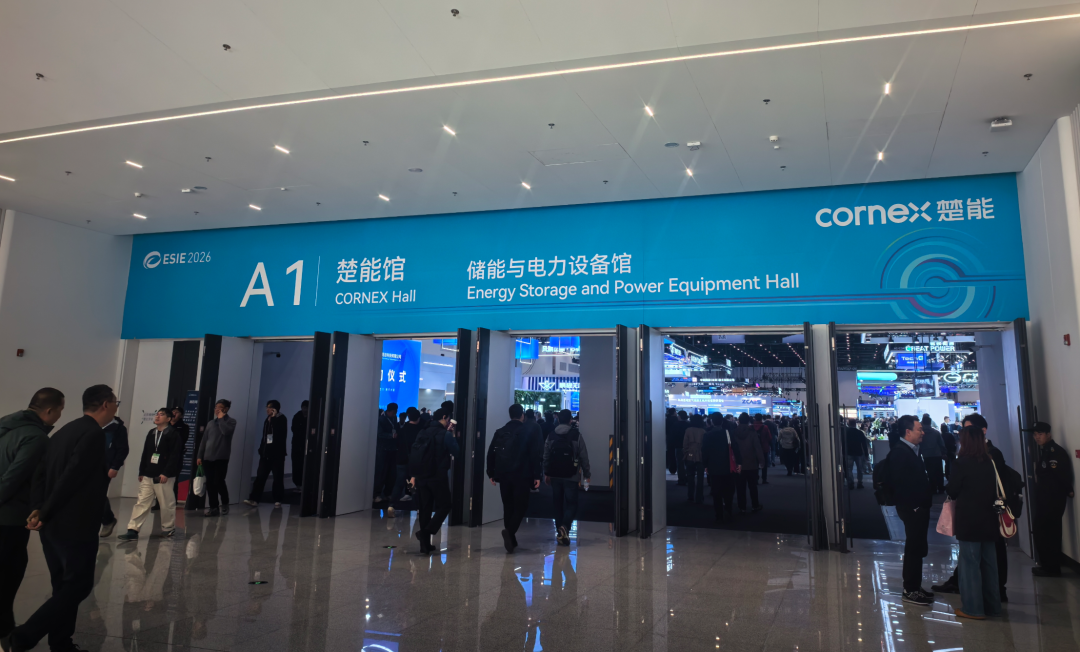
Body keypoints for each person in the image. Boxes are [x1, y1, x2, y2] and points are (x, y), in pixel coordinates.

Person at [2, 386, 117, 652]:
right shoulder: (93, 434)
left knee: (62, 585)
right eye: (115, 402)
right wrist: (44, 510)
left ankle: (61, 642)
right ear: (105, 404)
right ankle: (21, 638)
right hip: (75, 524)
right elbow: (72, 476)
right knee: (79, 585)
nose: (115, 407)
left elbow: (40, 473)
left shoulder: (64, 430)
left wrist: (38, 507)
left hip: (52, 525)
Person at [0, 388, 65, 642]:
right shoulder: (36, 438)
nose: (59, 416)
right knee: (8, 576)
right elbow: (13, 479)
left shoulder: (6, 426)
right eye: (60, 410)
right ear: (49, 410)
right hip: (9, 519)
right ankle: (4, 634)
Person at [946, 426, 1003, 619]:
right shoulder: (989, 461)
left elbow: (953, 490)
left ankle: (973, 608)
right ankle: (993, 606)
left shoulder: (961, 463)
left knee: (969, 564)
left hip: (969, 520)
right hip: (989, 519)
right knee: (989, 565)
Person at [884, 415, 934, 606]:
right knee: (913, 548)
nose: (922, 432)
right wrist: (914, 506)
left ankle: (915, 586)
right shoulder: (900, 452)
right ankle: (910, 589)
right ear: (908, 431)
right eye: (919, 429)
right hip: (912, 508)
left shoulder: (910, 450)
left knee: (918, 547)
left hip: (917, 507)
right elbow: (900, 483)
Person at [118, 408, 183, 541]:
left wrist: (166, 473)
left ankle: (168, 528)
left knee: (166, 503)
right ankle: (133, 529)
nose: (157, 416)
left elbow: (175, 456)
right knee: (142, 502)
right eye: (157, 414)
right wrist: (142, 471)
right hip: (148, 474)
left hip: (163, 476)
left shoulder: (173, 434)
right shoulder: (151, 432)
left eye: (161, 415)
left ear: (169, 419)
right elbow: (146, 453)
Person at [487, 404, 543, 553]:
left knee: (508, 506)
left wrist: (490, 472)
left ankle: (510, 540)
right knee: (521, 506)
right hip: (521, 474)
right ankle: (510, 532)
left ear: (510, 415)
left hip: (503, 474)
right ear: (522, 415)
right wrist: (537, 475)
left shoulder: (500, 432)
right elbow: (534, 455)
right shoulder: (527, 432)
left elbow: (491, 453)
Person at [408, 408, 460, 554]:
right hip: (437, 476)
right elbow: (456, 451)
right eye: (448, 419)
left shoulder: (422, 432)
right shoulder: (445, 434)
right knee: (445, 505)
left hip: (421, 476)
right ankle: (425, 532)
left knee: (425, 509)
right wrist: (452, 434)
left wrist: (414, 475)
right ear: (444, 417)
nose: (449, 422)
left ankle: (424, 545)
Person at [1031, 421, 1074, 577]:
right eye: (1035, 434)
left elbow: (1061, 475)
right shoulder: (1045, 451)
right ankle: (1047, 566)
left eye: (1040, 434)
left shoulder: (1055, 452)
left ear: (1048, 434)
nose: (1037, 437)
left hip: (1052, 500)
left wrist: (1069, 490)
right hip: (1044, 499)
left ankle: (1052, 568)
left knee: (1050, 533)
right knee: (1042, 532)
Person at [543, 409, 591, 546]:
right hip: (572, 475)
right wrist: (587, 474)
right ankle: (565, 527)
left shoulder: (551, 435)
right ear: (570, 420)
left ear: (558, 419)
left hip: (555, 475)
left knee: (557, 504)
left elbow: (546, 456)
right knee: (572, 503)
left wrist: (546, 473)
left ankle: (560, 533)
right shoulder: (576, 435)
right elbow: (584, 456)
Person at [244, 401, 288, 508]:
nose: (267, 410)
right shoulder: (267, 419)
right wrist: (261, 449)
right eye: (267, 407)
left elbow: (279, 434)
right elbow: (265, 436)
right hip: (265, 454)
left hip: (277, 455)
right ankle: (254, 499)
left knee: (277, 478)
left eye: (270, 408)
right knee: (260, 477)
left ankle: (278, 499)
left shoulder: (281, 419)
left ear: (275, 409)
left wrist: (273, 418)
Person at [196, 400, 236, 516]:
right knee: (210, 483)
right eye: (216, 407)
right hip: (208, 457)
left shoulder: (231, 421)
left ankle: (225, 503)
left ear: (226, 409)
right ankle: (213, 507)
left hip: (221, 457)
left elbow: (225, 432)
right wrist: (199, 455)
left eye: (220, 407)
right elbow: (204, 440)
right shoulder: (210, 423)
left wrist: (221, 419)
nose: (217, 409)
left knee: (219, 481)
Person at [702, 413, 739, 521]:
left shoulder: (708, 435)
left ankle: (719, 514)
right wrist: (739, 463)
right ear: (722, 421)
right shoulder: (728, 433)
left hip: (714, 466)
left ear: (712, 422)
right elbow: (735, 448)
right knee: (729, 490)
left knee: (716, 491)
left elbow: (705, 451)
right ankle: (728, 510)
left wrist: (705, 465)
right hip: (728, 465)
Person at [388, 407, 422, 516]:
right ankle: (418, 507)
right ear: (418, 418)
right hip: (415, 460)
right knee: (414, 483)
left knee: (399, 483)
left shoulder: (402, 429)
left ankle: (391, 505)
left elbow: (397, 443)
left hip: (401, 459)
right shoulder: (420, 431)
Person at [99, 414, 129, 537]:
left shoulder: (118, 428)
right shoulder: (93, 424)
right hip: (89, 464)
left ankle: (108, 520)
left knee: (98, 493)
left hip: (105, 466)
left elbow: (123, 449)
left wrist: (115, 466)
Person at [732, 414, 764, 513]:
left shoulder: (734, 432)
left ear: (739, 421)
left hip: (738, 463)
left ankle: (742, 507)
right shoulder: (752, 432)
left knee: (740, 487)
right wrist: (761, 461)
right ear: (748, 421)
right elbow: (757, 448)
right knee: (753, 486)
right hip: (751, 462)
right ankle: (755, 505)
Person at [373, 403, 398, 504]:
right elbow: (379, 434)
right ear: (390, 411)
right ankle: (376, 494)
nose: (395, 414)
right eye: (394, 412)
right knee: (381, 473)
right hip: (383, 449)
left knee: (391, 473)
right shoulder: (381, 419)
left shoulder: (394, 418)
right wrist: (391, 436)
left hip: (392, 449)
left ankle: (388, 493)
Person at [919, 414, 946, 494]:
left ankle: (933, 488)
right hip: (937, 454)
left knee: (930, 472)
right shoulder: (936, 432)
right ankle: (941, 488)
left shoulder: (921, 434)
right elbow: (941, 444)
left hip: (926, 455)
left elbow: (919, 445)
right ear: (930, 423)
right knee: (939, 472)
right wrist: (944, 453)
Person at [682, 414, 706, 504]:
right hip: (700, 454)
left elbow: (685, 444)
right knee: (700, 478)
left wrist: (685, 452)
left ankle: (690, 496)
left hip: (690, 454)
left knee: (690, 476)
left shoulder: (688, 430)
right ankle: (699, 497)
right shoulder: (703, 431)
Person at [168, 407, 190, 501]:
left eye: (176, 412)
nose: (174, 413)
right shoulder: (166, 425)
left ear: (181, 415)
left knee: (174, 479)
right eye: (173, 411)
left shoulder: (184, 427)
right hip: (164, 455)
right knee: (160, 479)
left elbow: (182, 440)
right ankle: (158, 503)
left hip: (176, 456)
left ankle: (173, 501)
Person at [844, 418, 869, 489]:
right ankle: (859, 483)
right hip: (859, 452)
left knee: (849, 468)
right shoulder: (860, 432)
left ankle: (851, 483)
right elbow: (864, 444)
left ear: (849, 424)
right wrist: (866, 454)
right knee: (860, 468)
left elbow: (843, 443)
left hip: (849, 452)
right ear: (855, 424)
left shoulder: (846, 432)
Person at [290, 400, 308, 490]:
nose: (305, 409)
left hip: (303, 444)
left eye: (306, 407)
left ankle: (303, 484)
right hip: (297, 444)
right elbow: (294, 429)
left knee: (304, 464)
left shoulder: (311, 416)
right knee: (297, 464)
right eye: (304, 407)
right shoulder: (297, 416)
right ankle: (298, 484)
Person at [752, 414, 773, 484]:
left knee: (754, 464)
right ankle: (764, 479)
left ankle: (755, 478)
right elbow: (769, 437)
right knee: (764, 464)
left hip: (754, 448)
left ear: (755, 418)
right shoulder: (765, 427)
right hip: (764, 448)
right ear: (761, 419)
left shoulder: (751, 427)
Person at [665, 407, 679, 475]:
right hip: (677, 439)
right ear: (674, 412)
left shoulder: (667, 419)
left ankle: (672, 468)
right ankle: (678, 468)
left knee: (671, 454)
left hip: (669, 439)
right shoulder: (676, 420)